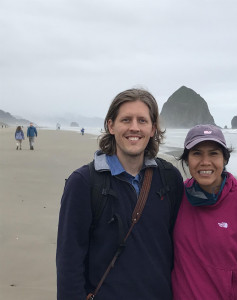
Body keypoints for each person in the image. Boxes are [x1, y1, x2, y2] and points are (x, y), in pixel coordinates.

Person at [56, 88, 183, 300]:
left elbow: (184, 247)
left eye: (142, 120)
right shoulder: (84, 183)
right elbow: (69, 263)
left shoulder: (169, 178)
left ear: (153, 129)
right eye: (126, 120)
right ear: (111, 125)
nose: (134, 127)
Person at [172, 124, 237, 300]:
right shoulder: (177, 196)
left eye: (213, 153)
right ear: (187, 159)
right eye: (197, 153)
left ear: (225, 159)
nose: (205, 162)